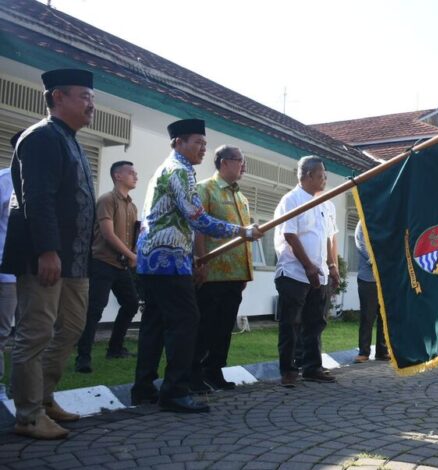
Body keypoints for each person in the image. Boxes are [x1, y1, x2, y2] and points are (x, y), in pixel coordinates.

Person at [131, 119, 261, 413]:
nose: (203, 149)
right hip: (169, 259)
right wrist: (242, 231)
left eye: (204, 143)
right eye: (197, 143)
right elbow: (198, 218)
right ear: (178, 142)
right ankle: (175, 391)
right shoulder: (180, 171)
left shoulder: (167, 169)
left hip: (152, 258)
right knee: (186, 321)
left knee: (153, 324)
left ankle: (143, 388)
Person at [1, 69, 96, 440]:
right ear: (58, 97)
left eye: (91, 97)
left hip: (74, 260)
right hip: (46, 256)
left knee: (71, 327)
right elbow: (35, 199)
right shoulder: (40, 137)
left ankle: (44, 397)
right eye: (84, 96)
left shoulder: (71, 141)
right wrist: (47, 250)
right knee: (36, 332)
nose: (91, 104)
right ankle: (27, 414)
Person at [190, 145, 253, 392]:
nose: (243, 166)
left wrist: (246, 271)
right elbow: (199, 228)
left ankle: (214, 370)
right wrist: (201, 261)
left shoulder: (241, 197)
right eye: (240, 160)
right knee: (204, 325)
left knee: (224, 328)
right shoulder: (205, 189)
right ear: (224, 162)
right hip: (213, 272)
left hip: (235, 274)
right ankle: (193, 373)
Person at [275, 156, 335, 387]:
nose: (324, 179)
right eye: (321, 175)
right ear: (308, 175)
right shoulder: (291, 200)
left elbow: (327, 238)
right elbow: (289, 234)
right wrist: (308, 266)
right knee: (291, 324)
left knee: (315, 322)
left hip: (318, 275)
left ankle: (312, 367)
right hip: (294, 273)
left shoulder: (321, 202)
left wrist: (330, 266)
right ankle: (288, 370)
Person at [74, 161, 140, 373]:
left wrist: (133, 254)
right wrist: (131, 255)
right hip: (102, 262)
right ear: (117, 176)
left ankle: (115, 348)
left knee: (130, 303)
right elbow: (107, 233)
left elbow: (130, 236)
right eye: (131, 172)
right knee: (95, 309)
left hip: (121, 265)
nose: (135, 175)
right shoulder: (107, 199)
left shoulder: (132, 206)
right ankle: (83, 358)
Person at [0, 131, 21, 400]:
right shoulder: (5, 181)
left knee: (19, 331)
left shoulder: (38, 183)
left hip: (23, 273)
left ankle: (17, 388)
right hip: (4, 271)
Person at [353, 220, 389, 363]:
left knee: (384, 316)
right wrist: (377, 261)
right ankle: (364, 352)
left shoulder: (385, 220)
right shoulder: (363, 222)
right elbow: (360, 244)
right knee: (367, 316)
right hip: (368, 278)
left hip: (385, 278)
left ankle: (382, 351)